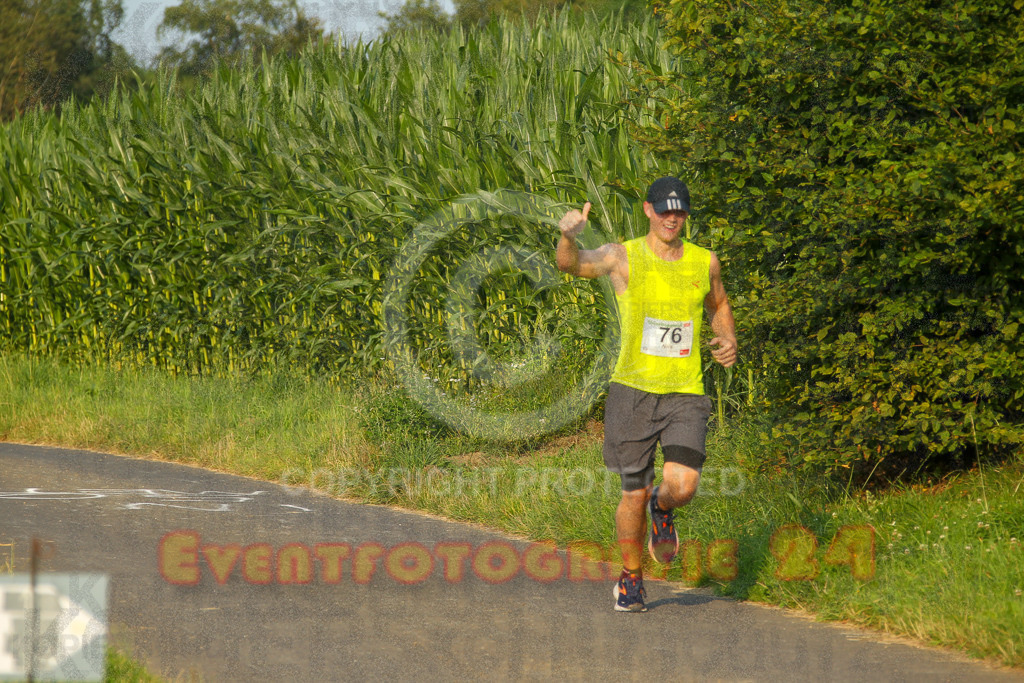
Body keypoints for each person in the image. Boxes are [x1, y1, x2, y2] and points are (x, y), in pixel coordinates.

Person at [556, 177, 738, 612]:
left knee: (685, 485)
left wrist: (727, 338)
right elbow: (570, 265)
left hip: (684, 393)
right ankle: (632, 578)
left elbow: (720, 305)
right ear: (648, 211)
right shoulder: (623, 257)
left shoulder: (703, 261)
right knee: (632, 492)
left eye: (680, 211)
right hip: (632, 393)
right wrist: (566, 236)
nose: (673, 218)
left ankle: (664, 507)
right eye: (665, 210)